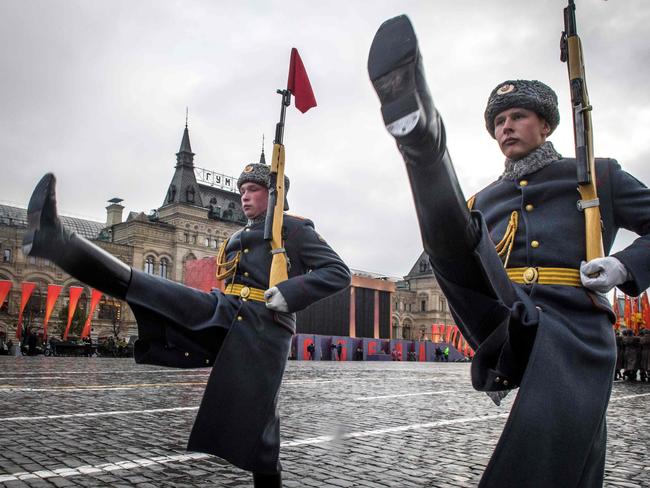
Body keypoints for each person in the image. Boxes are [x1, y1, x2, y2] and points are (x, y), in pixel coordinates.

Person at [368, 15, 650, 488]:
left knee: (567, 439)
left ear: (545, 123)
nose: (506, 127)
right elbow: (466, 268)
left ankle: (423, 139)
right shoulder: (485, 200)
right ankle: (421, 139)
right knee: (454, 228)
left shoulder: (597, 175)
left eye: (517, 116)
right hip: (505, 319)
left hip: (574, 325)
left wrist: (623, 266)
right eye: (498, 121)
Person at [22, 164, 350, 488]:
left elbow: (338, 272)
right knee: (152, 289)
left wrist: (289, 293)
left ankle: (56, 240)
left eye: (253, 190)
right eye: (241, 191)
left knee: (263, 435)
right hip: (228, 314)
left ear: (275, 194)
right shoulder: (239, 235)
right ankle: (57, 240)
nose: (244, 198)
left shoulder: (294, 230)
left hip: (264, 330)